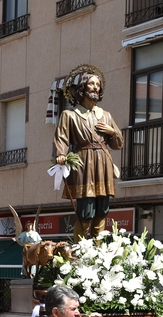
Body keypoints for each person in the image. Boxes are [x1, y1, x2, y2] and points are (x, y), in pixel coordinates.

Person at [54, 65, 123, 240]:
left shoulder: (106, 115)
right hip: (83, 163)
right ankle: (80, 249)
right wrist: (61, 154)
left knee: (102, 209)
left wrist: (112, 131)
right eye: (91, 84)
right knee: (86, 210)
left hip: (103, 163)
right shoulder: (70, 115)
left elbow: (118, 144)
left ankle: (97, 251)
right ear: (82, 88)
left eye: (97, 84)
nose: (95, 87)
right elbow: (62, 137)